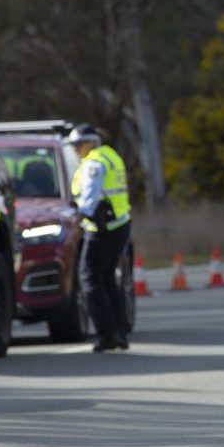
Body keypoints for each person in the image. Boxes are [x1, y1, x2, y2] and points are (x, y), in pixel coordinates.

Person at [66, 124, 132, 353]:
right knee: (106, 281)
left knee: (90, 279)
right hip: (119, 224)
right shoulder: (111, 155)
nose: (75, 150)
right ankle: (120, 332)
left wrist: (77, 219)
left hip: (102, 229)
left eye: (77, 145)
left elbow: (91, 197)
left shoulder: (94, 162)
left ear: (90, 143)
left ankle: (107, 334)